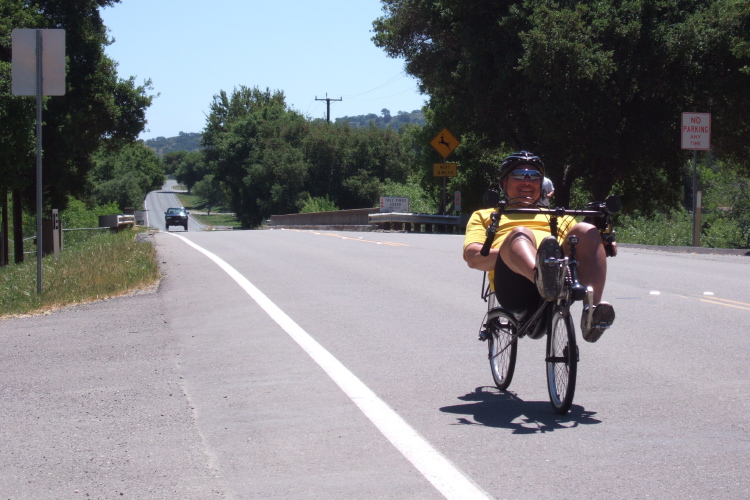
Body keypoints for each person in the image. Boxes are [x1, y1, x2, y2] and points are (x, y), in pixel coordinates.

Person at [463, 151, 616, 342]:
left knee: (586, 229)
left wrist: (600, 243)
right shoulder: (486, 216)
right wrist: (510, 253)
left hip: (561, 277)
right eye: (519, 175)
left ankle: (591, 314)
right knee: (520, 234)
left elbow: (585, 251)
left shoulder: (561, 216)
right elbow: (473, 257)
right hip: (514, 286)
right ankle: (543, 276)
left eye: (534, 177)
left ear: (541, 185)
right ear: (504, 183)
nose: (527, 181)